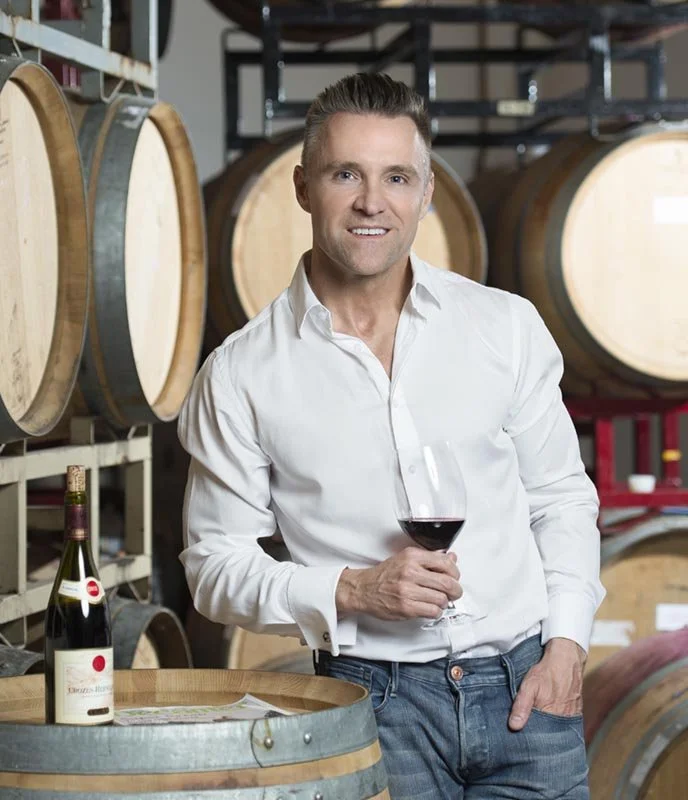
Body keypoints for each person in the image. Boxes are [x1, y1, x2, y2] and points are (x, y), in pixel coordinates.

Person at [178, 72, 605, 799]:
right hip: (374, 707)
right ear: (304, 186)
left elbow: (560, 498)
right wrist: (352, 589)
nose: (373, 202)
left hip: (528, 694)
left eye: (397, 176)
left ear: (428, 190)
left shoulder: (503, 327)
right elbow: (214, 569)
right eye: (347, 173)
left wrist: (566, 644)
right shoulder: (241, 373)